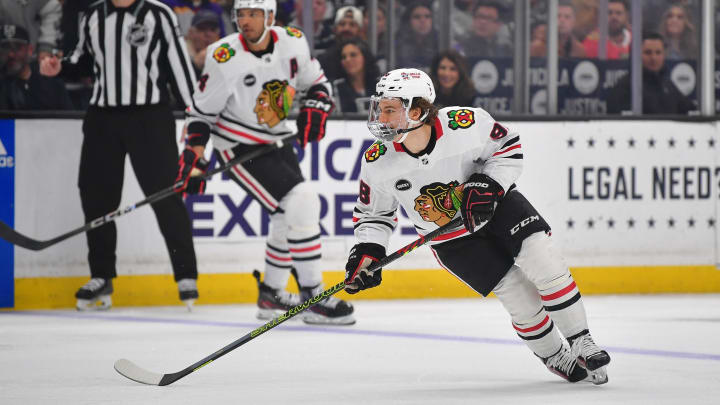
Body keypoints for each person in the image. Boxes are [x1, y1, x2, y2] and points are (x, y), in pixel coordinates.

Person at [345, 68, 611, 384]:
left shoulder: (464, 124)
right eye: (380, 107)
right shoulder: (377, 161)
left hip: (495, 207)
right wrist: (367, 250)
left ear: (416, 111)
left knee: (543, 258)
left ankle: (581, 339)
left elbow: (508, 147)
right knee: (518, 295)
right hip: (449, 238)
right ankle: (554, 354)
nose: (380, 117)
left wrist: (487, 183)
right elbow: (374, 216)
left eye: (389, 109)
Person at [182, 0, 355, 325]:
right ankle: (313, 293)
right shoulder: (224, 56)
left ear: (270, 16)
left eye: (253, 14)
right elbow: (201, 114)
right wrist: (195, 158)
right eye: (241, 14)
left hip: (274, 138)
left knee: (285, 213)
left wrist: (317, 105)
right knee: (302, 200)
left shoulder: (292, 41)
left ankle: (272, 293)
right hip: (238, 145)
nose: (245, 21)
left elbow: (317, 83)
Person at [40, 0, 201, 310]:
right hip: (103, 117)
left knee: (166, 194)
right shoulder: (94, 15)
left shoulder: (158, 14)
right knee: (96, 198)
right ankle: (101, 275)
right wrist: (61, 66)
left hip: (150, 117)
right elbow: (83, 59)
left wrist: (196, 117)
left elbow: (179, 66)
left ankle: (186, 275)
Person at [606, 32, 695, 115]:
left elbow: (689, 111)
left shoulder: (668, 85)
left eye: (658, 53)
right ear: (636, 55)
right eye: (648, 53)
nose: (653, 58)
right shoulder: (625, 87)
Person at [0, 24, 72, 110]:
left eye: (17, 48)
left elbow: (69, 121)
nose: (11, 54)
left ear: (30, 50)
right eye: (5, 48)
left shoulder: (53, 86)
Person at [332, 38, 380, 113]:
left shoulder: (380, 85)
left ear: (365, 57)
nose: (347, 60)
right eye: (343, 57)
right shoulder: (336, 88)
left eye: (353, 55)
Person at [318, 5, 364, 81]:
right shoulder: (325, 59)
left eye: (352, 24)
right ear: (334, 29)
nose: (346, 28)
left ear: (360, 30)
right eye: (342, 24)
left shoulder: (367, 58)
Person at [395, 0, 438, 72]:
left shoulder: (441, 41)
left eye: (427, 16)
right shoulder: (396, 41)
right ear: (408, 21)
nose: (423, 20)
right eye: (417, 17)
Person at [186, 10, 222, 76]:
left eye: (213, 29)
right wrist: (195, 65)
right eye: (202, 29)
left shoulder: (226, 57)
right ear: (191, 33)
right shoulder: (181, 56)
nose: (208, 34)